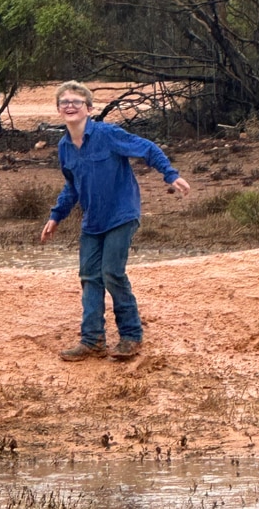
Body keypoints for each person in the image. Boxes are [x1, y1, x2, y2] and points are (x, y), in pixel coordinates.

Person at [40, 80, 190, 362]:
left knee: (111, 272)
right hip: (92, 222)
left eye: (76, 102)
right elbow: (72, 185)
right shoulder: (64, 147)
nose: (70, 106)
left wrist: (170, 174)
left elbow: (147, 148)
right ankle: (92, 340)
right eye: (64, 103)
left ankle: (131, 336)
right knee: (89, 277)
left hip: (122, 214)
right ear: (59, 110)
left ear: (89, 108)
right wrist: (56, 215)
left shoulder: (107, 134)